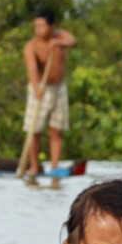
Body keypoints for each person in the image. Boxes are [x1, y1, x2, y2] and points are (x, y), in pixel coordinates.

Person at [23, 9, 77, 174]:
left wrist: (58, 44)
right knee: (35, 130)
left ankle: (54, 167)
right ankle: (34, 166)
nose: (39, 30)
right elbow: (32, 69)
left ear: (52, 26)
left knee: (56, 130)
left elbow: (73, 41)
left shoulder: (60, 36)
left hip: (58, 89)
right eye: (36, 26)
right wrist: (36, 88)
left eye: (42, 26)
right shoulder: (31, 46)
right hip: (39, 89)